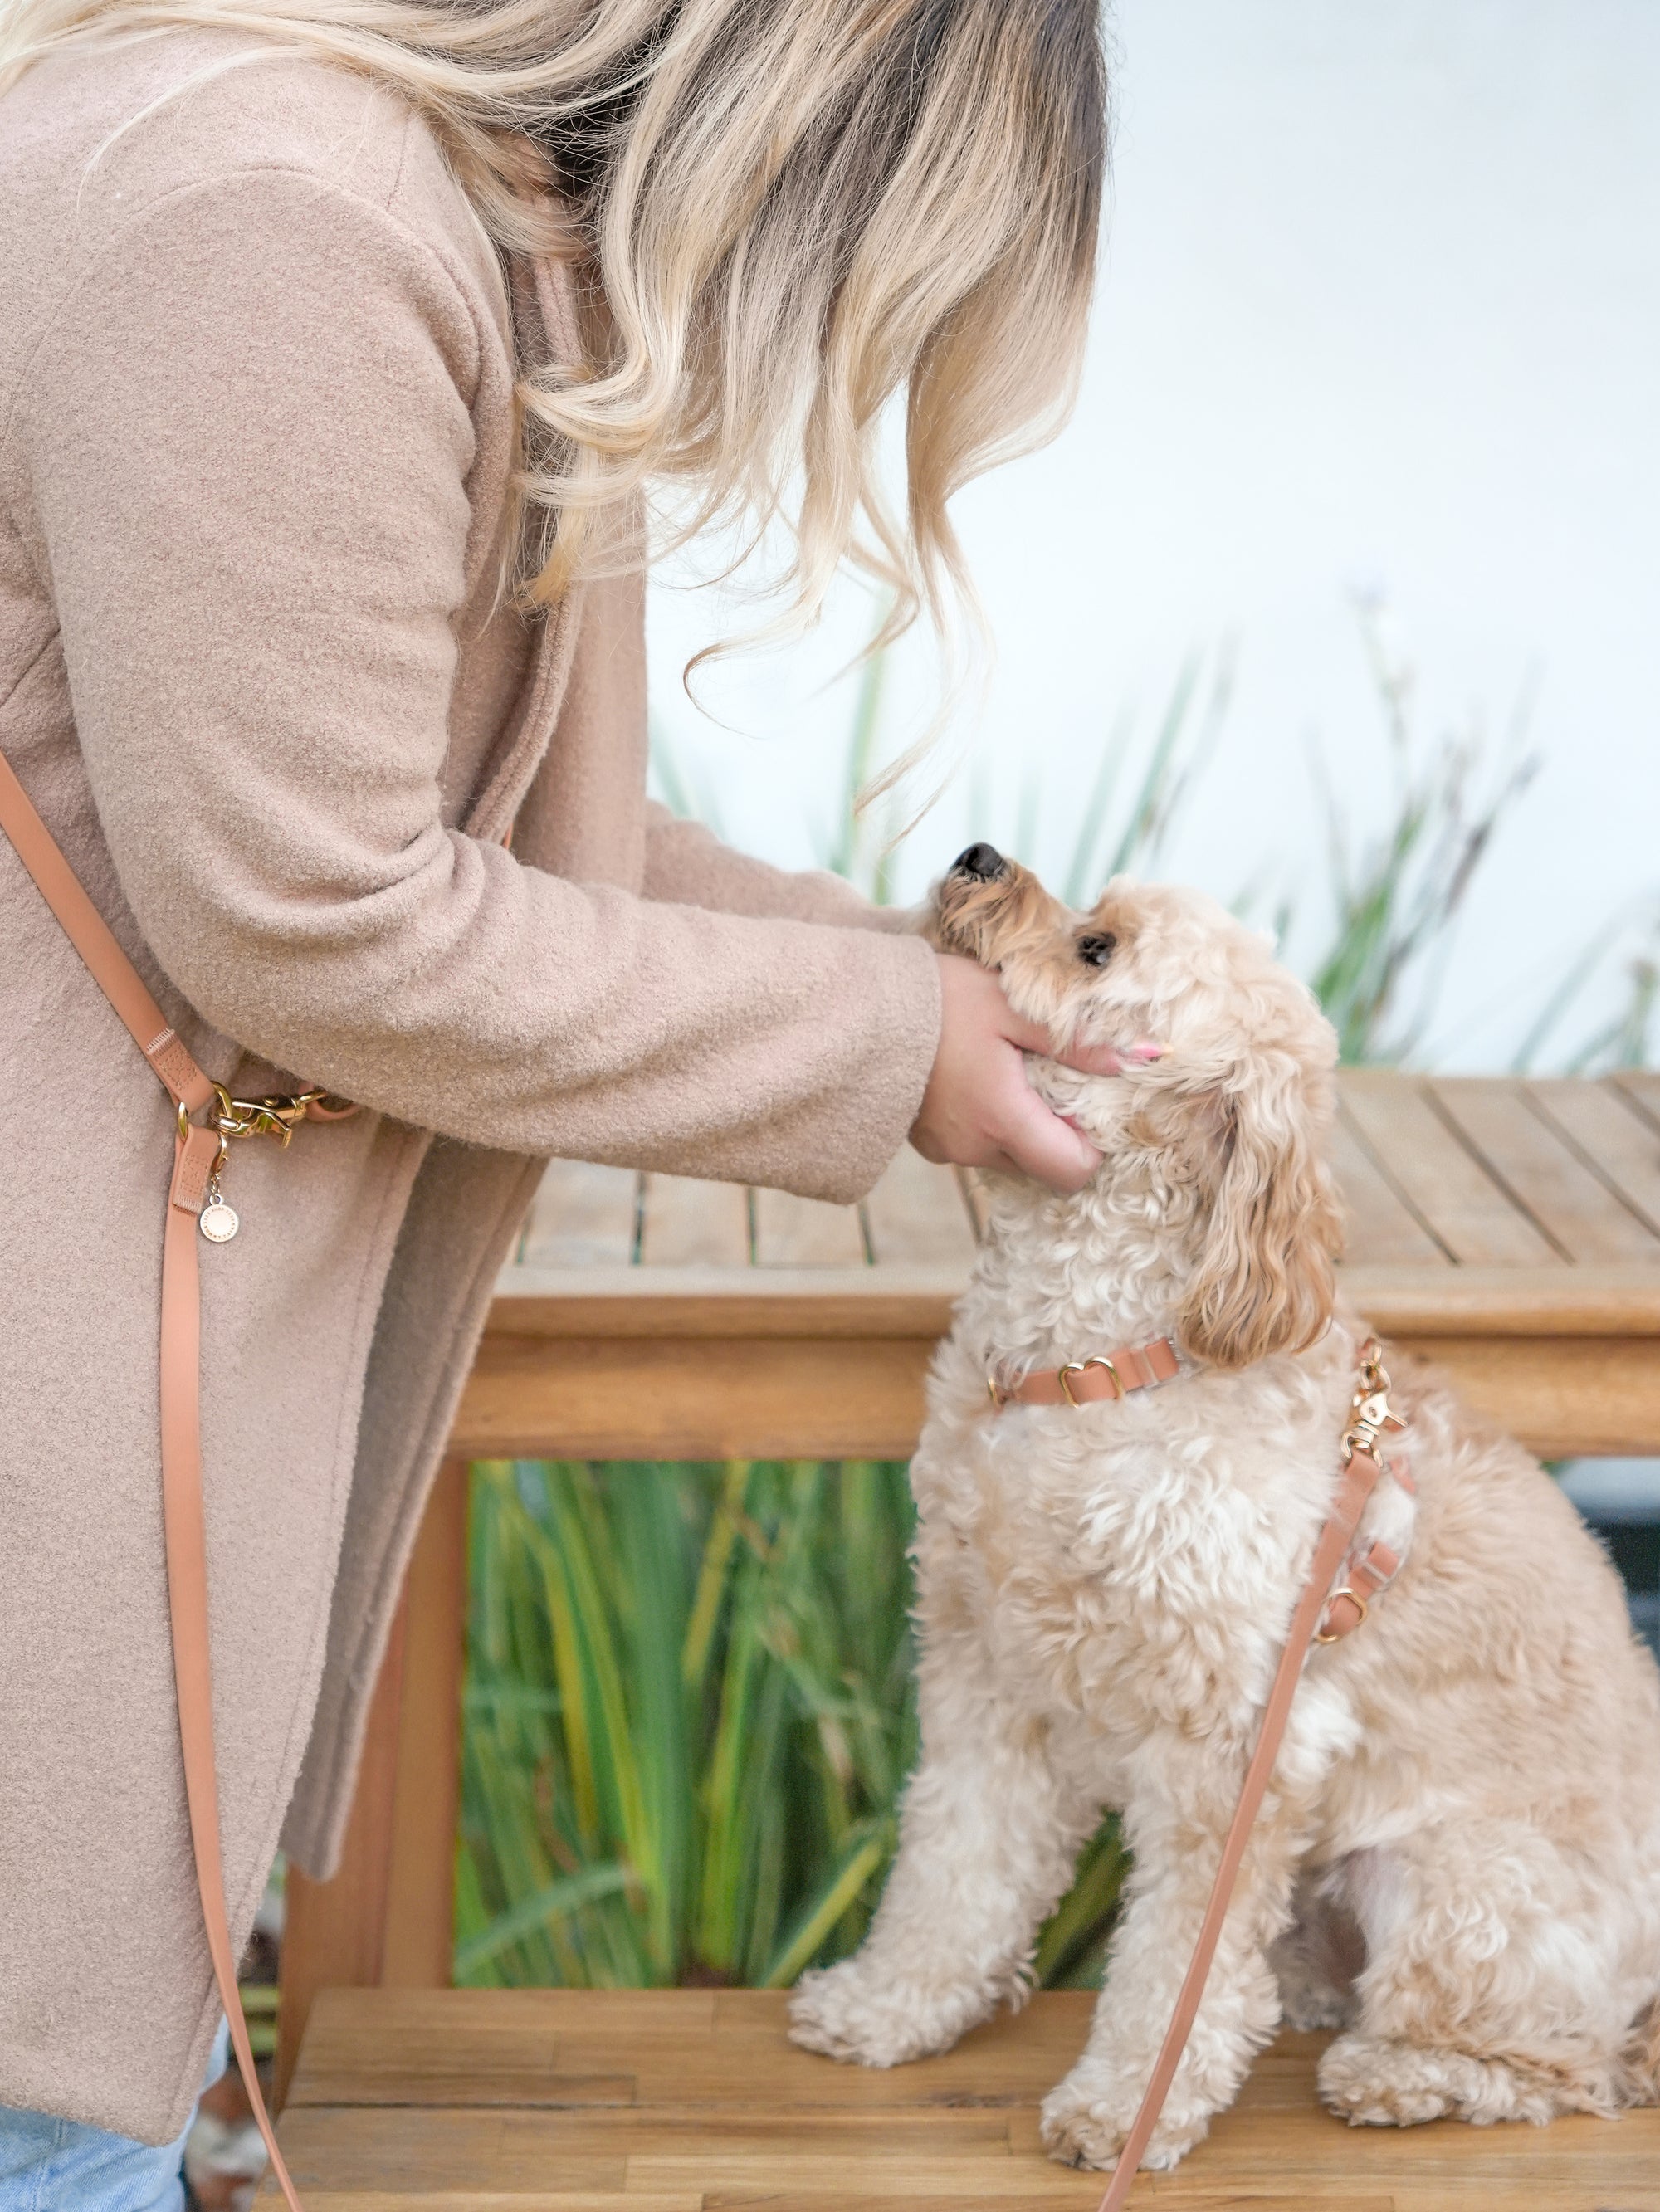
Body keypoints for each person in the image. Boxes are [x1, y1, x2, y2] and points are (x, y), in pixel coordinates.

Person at [0, 1, 1112, 2200]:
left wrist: (906, 986)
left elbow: (509, 831)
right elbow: (317, 907)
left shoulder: (422, 211)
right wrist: (890, 1052)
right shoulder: (285, 223)